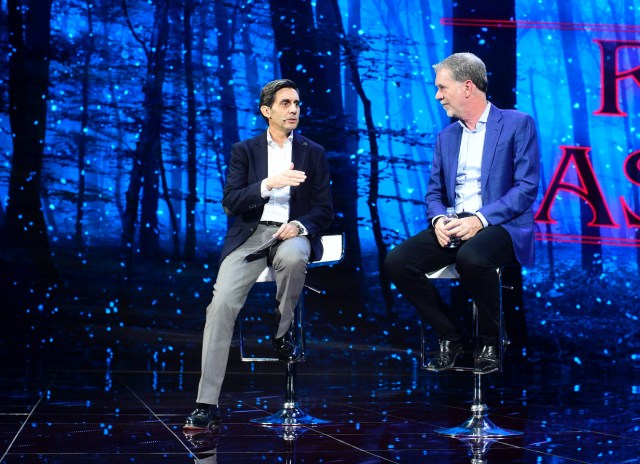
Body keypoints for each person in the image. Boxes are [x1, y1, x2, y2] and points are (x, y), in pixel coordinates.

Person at [184, 79, 333, 430]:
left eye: (297, 103)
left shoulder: (313, 152)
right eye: (285, 103)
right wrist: (269, 184)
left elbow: (325, 210)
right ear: (267, 110)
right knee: (220, 306)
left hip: (292, 232)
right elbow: (231, 202)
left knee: (294, 258)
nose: (294, 109)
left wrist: (300, 225)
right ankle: (206, 403)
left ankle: (282, 330)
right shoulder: (245, 150)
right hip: (251, 236)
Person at [384, 52, 540, 374]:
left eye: (442, 87)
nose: (437, 96)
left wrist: (479, 220)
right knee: (397, 262)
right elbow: (434, 194)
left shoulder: (517, 123)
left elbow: (525, 188)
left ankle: (490, 339)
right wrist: (439, 219)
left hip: (501, 224)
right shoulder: (446, 137)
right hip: (455, 223)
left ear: (467, 87)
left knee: (472, 257)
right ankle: (451, 335)